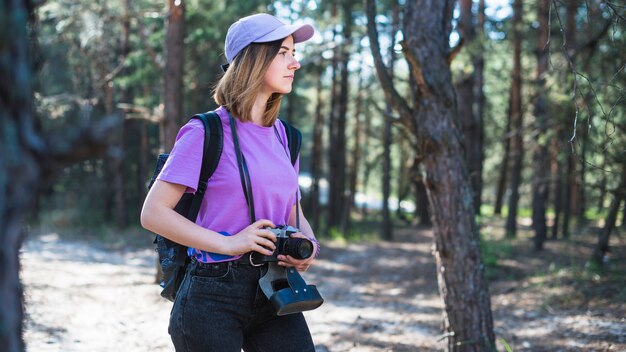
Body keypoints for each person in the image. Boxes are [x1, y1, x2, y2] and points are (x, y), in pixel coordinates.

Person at [140, 13, 319, 352]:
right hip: (211, 293)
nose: (294, 63)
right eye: (283, 52)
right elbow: (153, 214)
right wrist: (229, 243)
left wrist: (307, 242)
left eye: (294, 53)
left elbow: (292, 209)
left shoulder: (287, 137)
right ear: (252, 58)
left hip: (275, 286)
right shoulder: (204, 132)